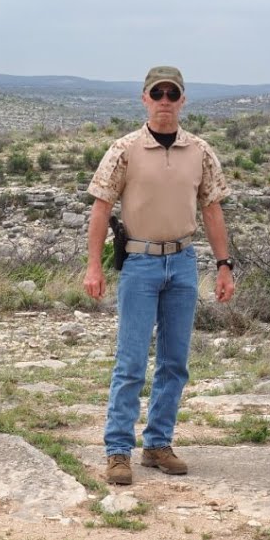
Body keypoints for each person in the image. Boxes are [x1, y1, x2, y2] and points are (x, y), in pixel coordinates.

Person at [84, 66, 236, 485]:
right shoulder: (125, 149)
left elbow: (212, 209)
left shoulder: (200, 151)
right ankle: (118, 451)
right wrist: (93, 265)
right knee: (131, 361)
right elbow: (100, 208)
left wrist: (224, 265)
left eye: (173, 93)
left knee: (174, 362)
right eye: (158, 93)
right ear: (145, 99)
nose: (165, 100)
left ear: (183, 100)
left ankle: (157, 443)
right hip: (140, 262)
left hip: (183, 262)